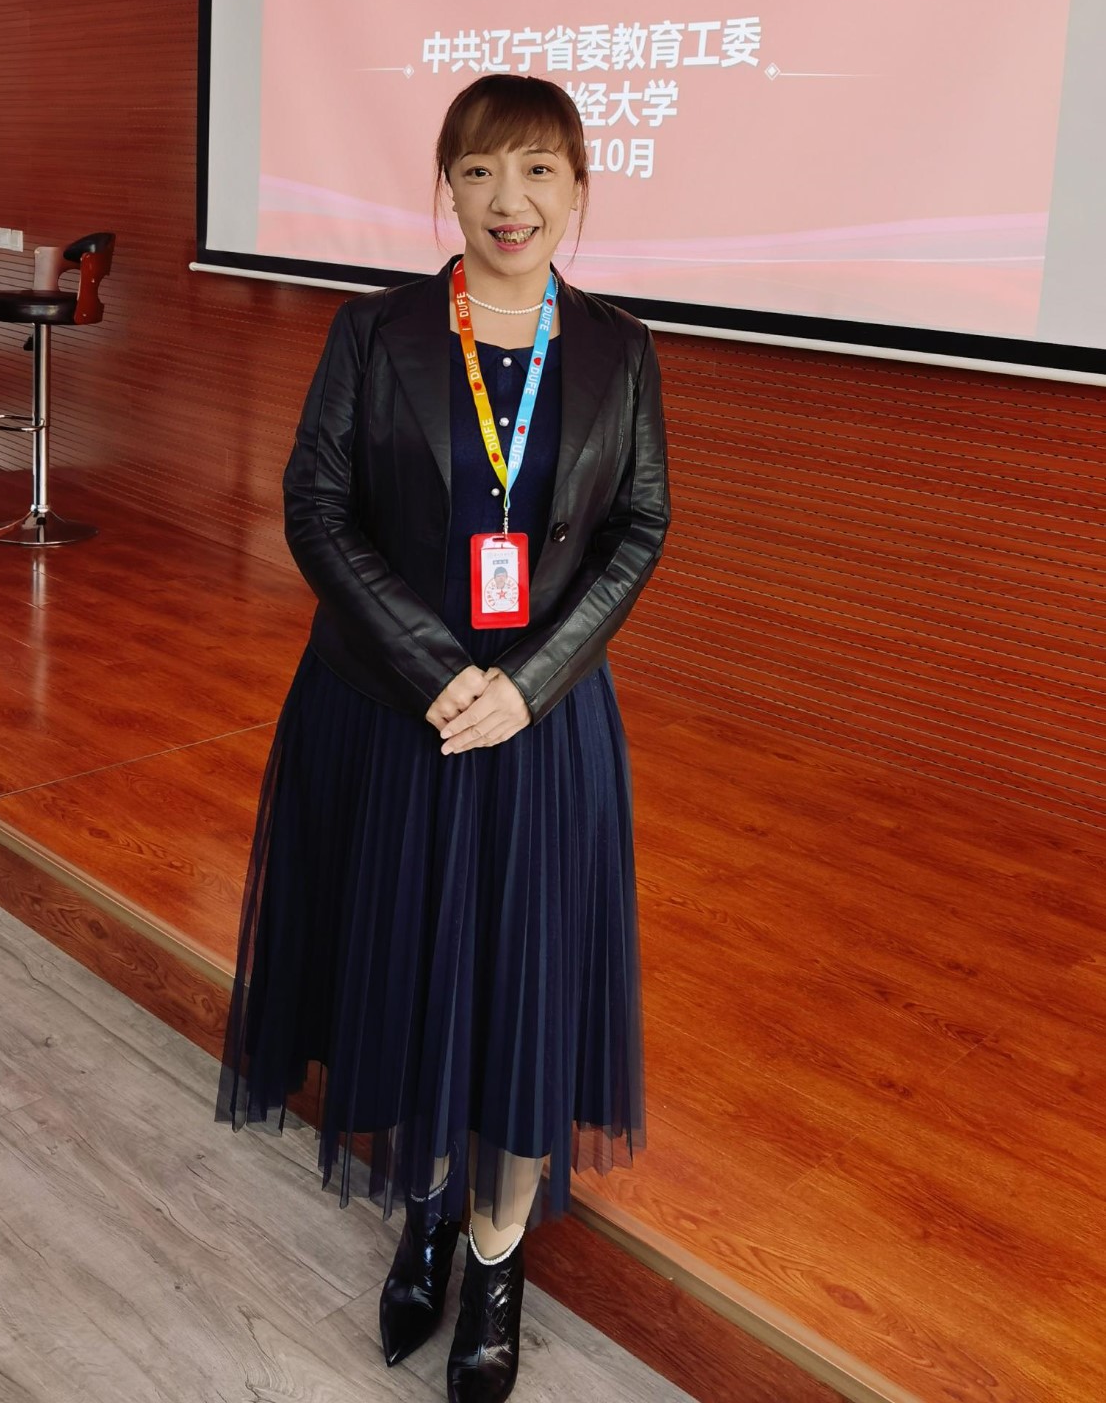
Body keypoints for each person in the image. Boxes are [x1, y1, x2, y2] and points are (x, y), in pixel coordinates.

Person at [215, 73, 670, 1402]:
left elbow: (638, 525)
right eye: (478, 171)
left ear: (577, 190)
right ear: (446, 187)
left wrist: (527, 684)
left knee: (523, 984)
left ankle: (495, 1255)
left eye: (536, 171)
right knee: (409, 963)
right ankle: (421, 1208)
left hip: (542, 728)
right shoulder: (375, 332)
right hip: (387, 713)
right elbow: (316, 509)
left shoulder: (621, 349)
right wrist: (436, 671)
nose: (506, 200)